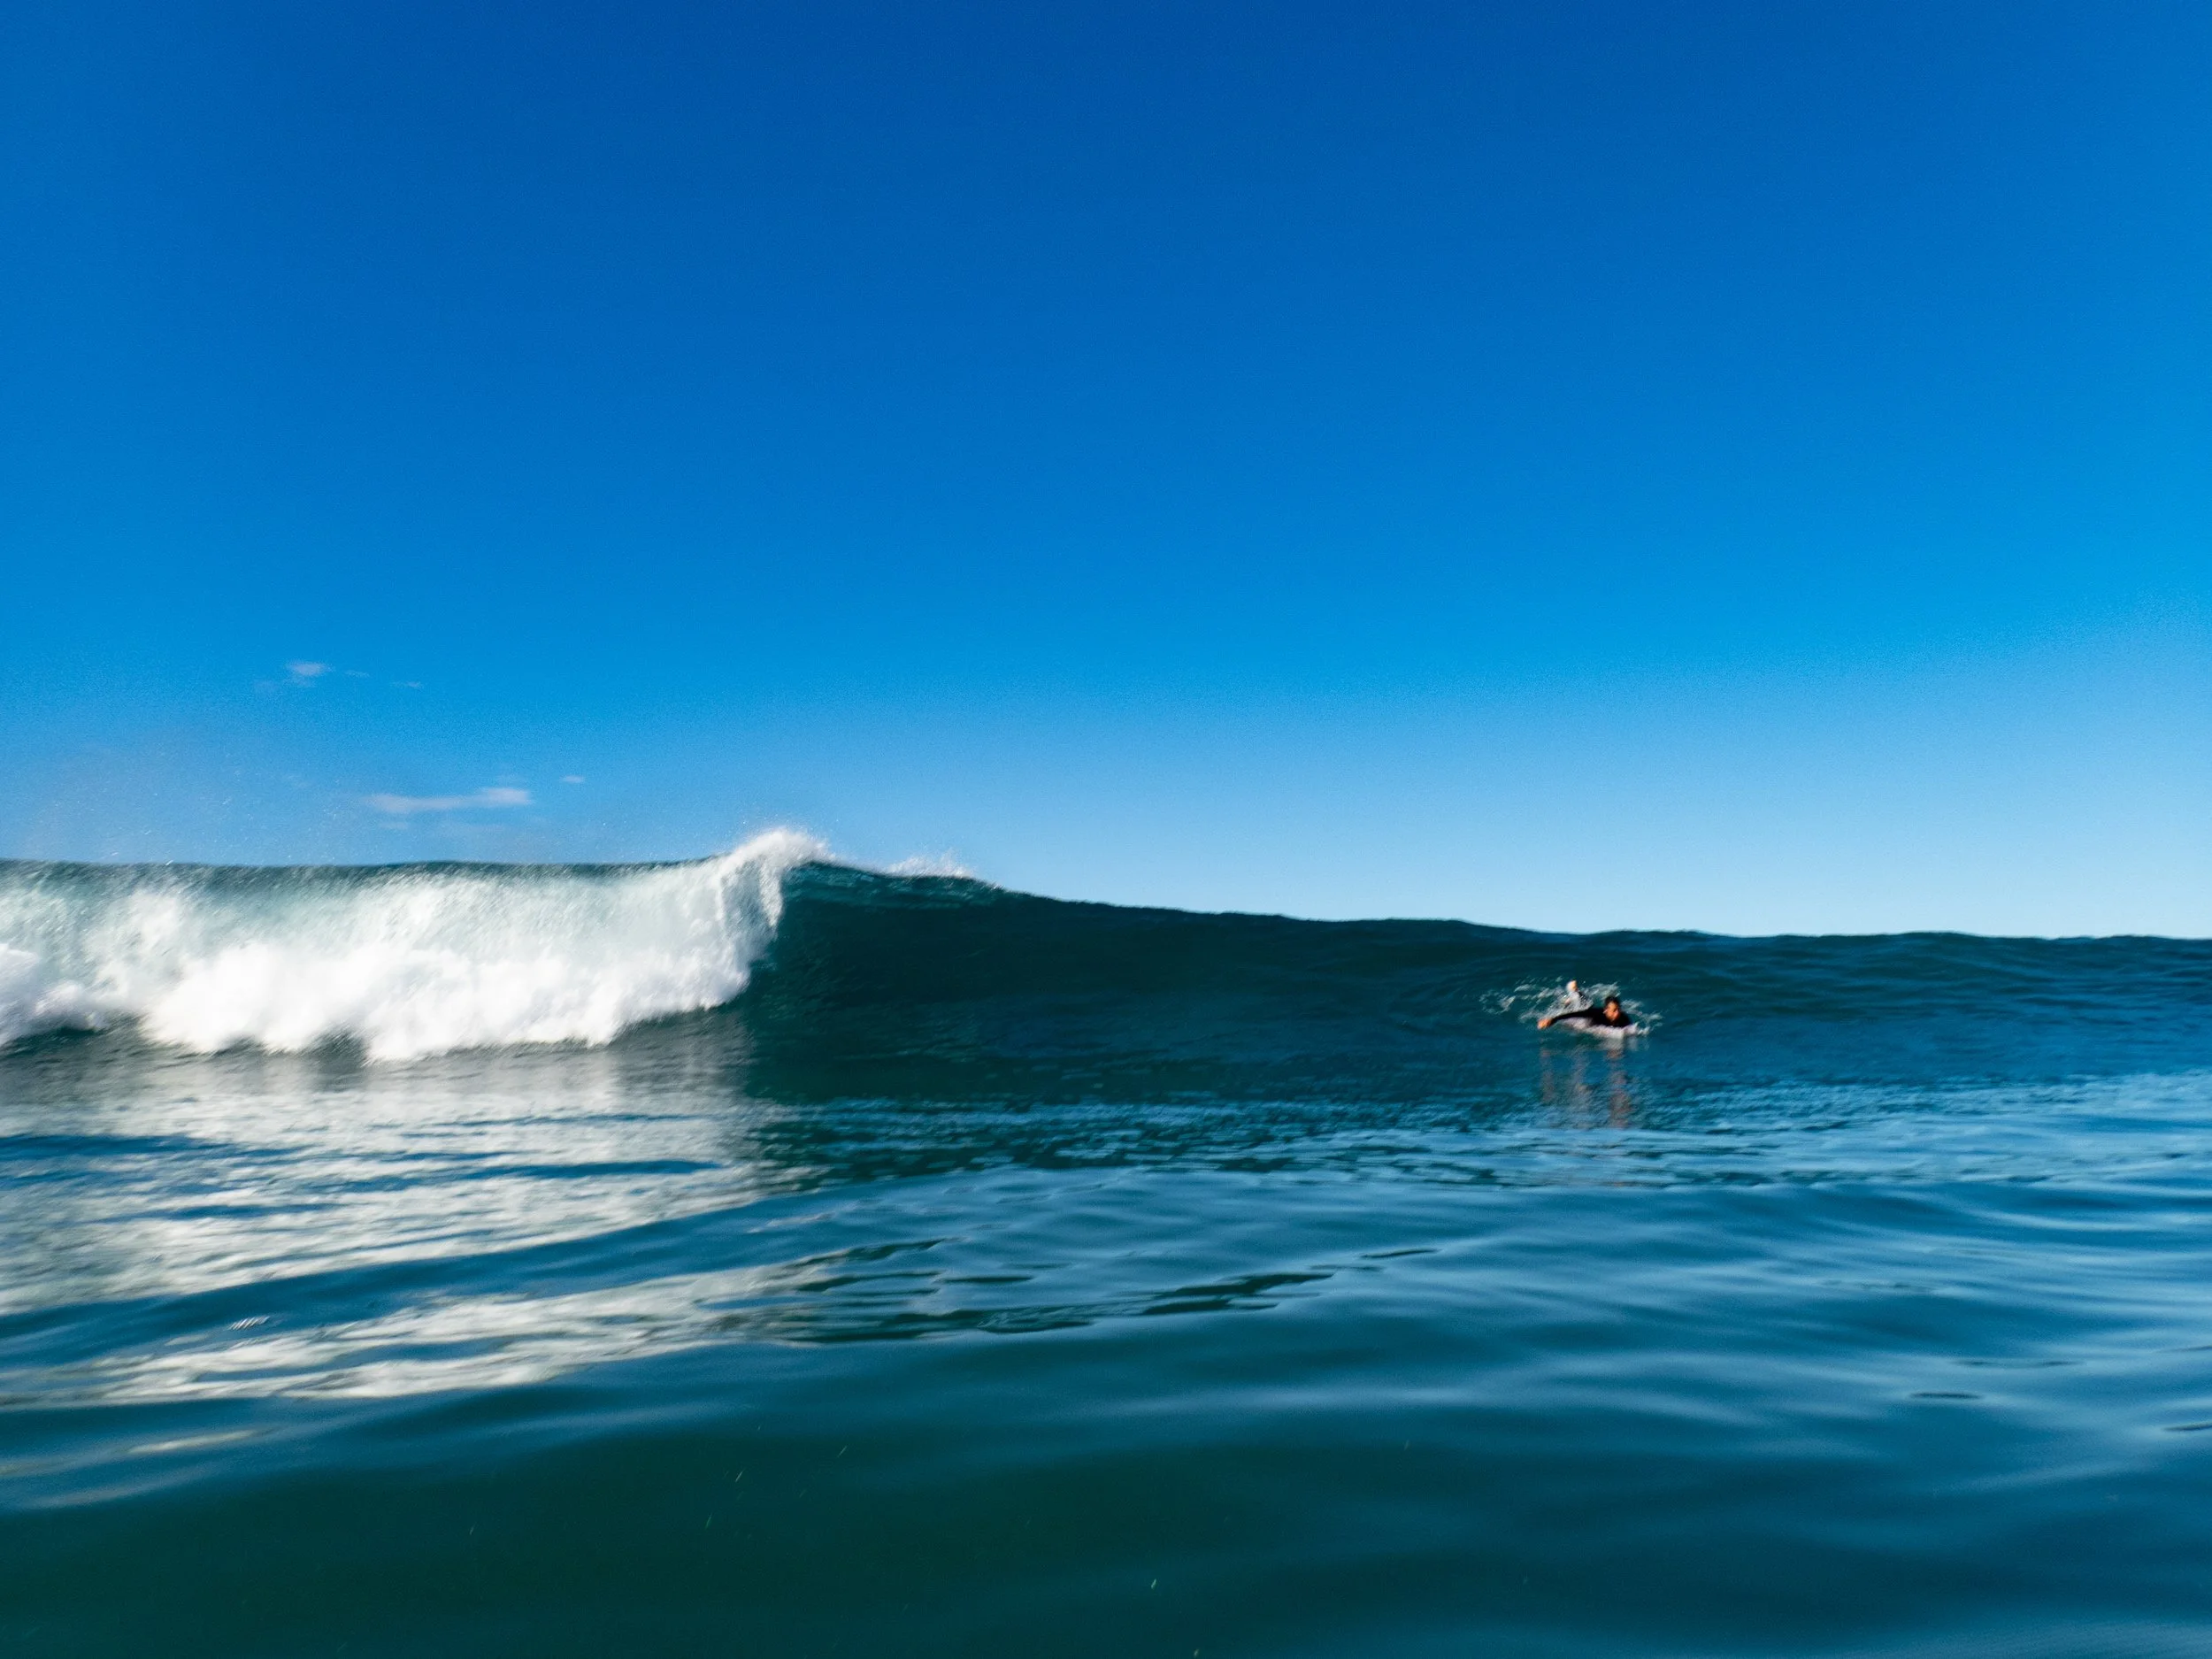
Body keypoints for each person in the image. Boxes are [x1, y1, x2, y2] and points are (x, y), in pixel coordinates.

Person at [1540, 994, 1632, 1030]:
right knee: (1580, 1008)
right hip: (1588, 1015)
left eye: (1619, 1009)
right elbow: (1574, 1014)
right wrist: (1553, 1020)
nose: (1617, 1013)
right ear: (1606, 1010)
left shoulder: (1624, 1017)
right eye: (1614, 1010)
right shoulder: (1597, 1014)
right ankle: (1575, 994)